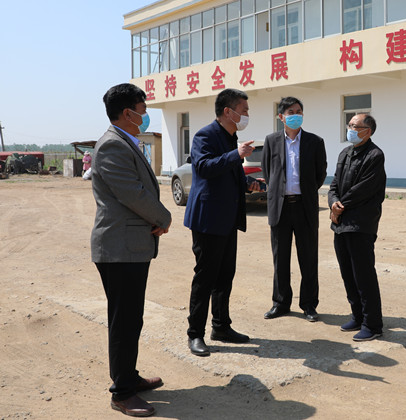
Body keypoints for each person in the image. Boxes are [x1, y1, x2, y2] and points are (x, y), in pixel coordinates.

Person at [91, 83, 172, 417]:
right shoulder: (113, 145)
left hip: (129, 246)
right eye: (143, 109)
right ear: (128, 112)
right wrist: (163, 217)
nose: (145, 114)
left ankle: (128, 376)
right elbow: (132, 193)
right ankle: (122, 393)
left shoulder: (124, 141)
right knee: (124, 321)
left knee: (130, 318)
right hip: (119, 248)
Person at [184, 88, 261, 357]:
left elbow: (228, 174)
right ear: (228, 111)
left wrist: (248, 183)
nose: (247, 114)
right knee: (205, 277)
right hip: (208, 219)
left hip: (227, 218)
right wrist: (235, 155)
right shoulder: (205, 135)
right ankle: (195, 334)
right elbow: (204, 167)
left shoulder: (231, 138)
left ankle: (221, 326)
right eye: (244, 110)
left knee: (225, 275)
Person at [261, 97, 327, 322]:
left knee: (308, 258)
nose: (296, 115)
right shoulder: (271, 141)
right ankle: (280, 303)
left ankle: (309, 304)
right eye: (291, 111)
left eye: (299, 111)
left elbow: (320, 173)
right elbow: (268, 172)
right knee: (280, 259)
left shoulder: (315, 142)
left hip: (304, 207)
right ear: (281, 117)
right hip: (280, 208)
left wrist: (305, 191)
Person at [328, 113, 386, 342]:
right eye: (349, 125)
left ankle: (373, 325)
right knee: (348, 273)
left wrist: (340, 207)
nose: (350, 128)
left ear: (367, 131)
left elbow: (364, 189)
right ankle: (357, 316)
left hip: (361, 224)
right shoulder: (345, 153)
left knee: (363, 275)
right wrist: (333, 202)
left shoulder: (375, 155)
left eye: (355, 126)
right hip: (341, 223)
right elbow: (334, 183)